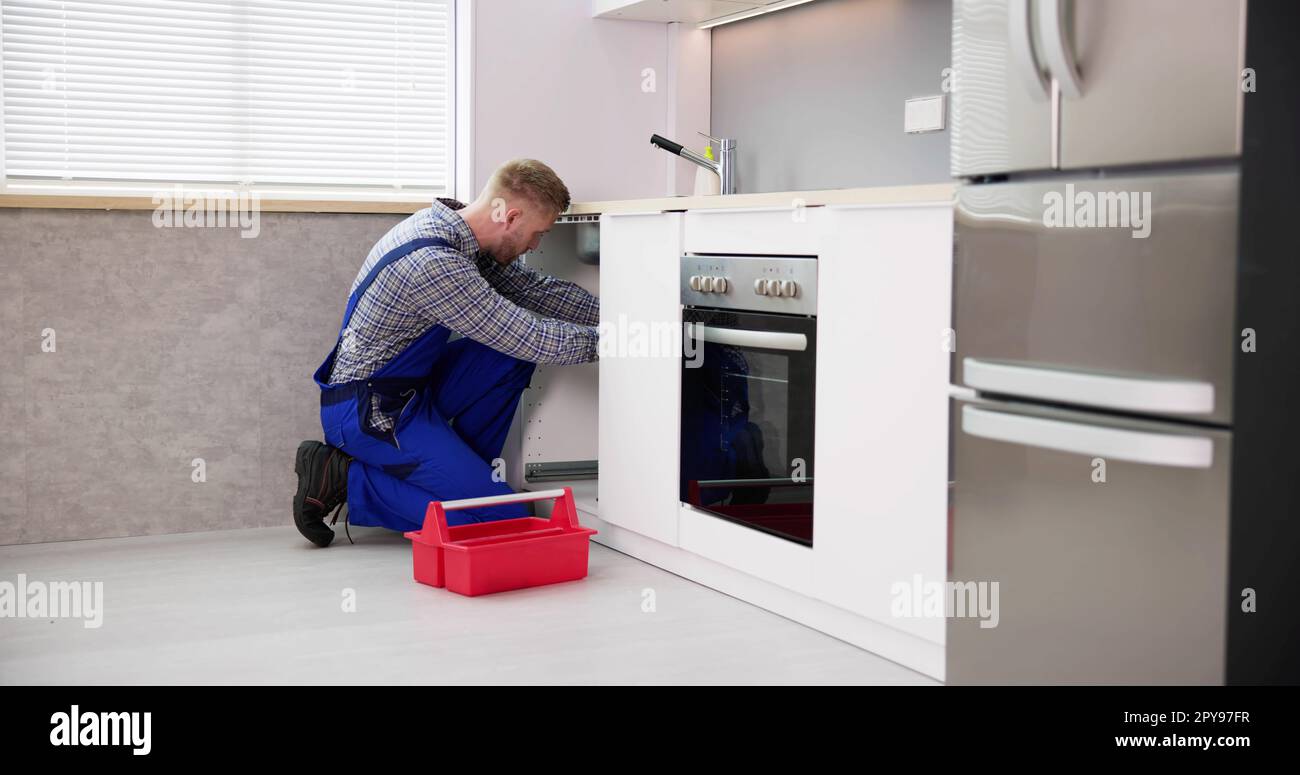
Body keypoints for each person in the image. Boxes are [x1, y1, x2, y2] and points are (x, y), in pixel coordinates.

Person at [292, 159, 599, 547]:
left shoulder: (454, 234)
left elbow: (535, 291)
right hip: (369, 412)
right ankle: (346, 477)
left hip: (408, 391)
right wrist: (618, 341)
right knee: (504, 525)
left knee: (507, 359)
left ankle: (466, 478)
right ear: (512, 216)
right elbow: (530, 336)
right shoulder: (434, 263)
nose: (535, 245)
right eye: (537, 234)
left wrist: (628, 317)